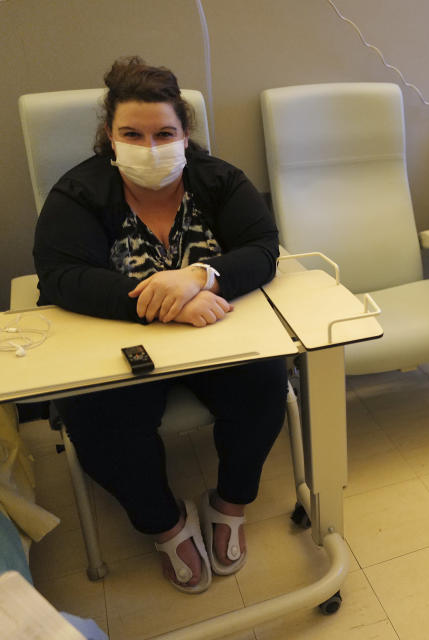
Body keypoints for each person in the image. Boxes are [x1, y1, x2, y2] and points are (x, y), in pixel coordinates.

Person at [33, 57, 287, 593]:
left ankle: (229, 503)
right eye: (132, 133)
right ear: (109, 135)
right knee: (97, 415)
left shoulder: (219, 180)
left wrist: (199, 275)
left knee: (264, 382)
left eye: (164, 133)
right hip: (120, 346)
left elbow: (264, 250)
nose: (150, 147)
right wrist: (168, 300)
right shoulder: (78, 193)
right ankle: (165, 524)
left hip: (213, 335)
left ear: (185, 134)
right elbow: (61, 277)